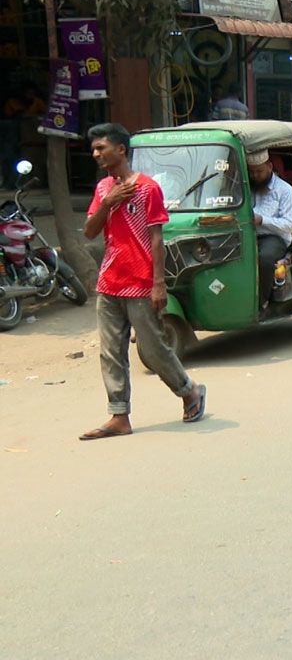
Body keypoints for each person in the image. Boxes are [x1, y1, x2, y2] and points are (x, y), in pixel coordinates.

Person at [79, 123, 206, 440]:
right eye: (93, 149)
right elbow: (89, 232)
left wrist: (158, 283)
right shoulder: (102, 190)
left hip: (140, 282)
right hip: (109, 282)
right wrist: (108, 202)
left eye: (101, 148)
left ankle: (188, 390)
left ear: (120, 149)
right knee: (111, 352)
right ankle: (119, 415)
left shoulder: (148, 188)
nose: (95, 154)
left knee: (151, 350)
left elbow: (156, 237)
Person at [246, 148, 292, 312]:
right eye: (252, 172)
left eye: (259, 171)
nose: (255, 176)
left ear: (269, 166)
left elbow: (290, 224)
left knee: (264, 258)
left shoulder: (285, 190)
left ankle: (262, 303)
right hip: (248, 234)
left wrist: (263, 220)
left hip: (274, 238)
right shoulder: (247, 187)